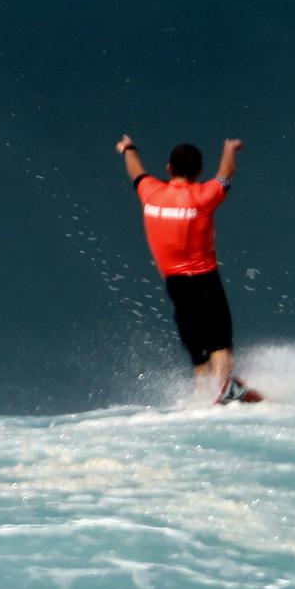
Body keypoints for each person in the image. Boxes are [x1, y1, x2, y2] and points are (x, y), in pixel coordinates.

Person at [117, 134, 254, 404]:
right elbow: (226, 174)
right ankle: (225, 390)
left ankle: (203, 398)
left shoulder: (151, 193)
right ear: (199, 172)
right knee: (220, 343)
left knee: (198, 349)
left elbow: (136, 172)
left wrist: (128, 148)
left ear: (169, 169)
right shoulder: (204, 196)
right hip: (204, 280)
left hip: (175, 285)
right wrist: (229, 149)